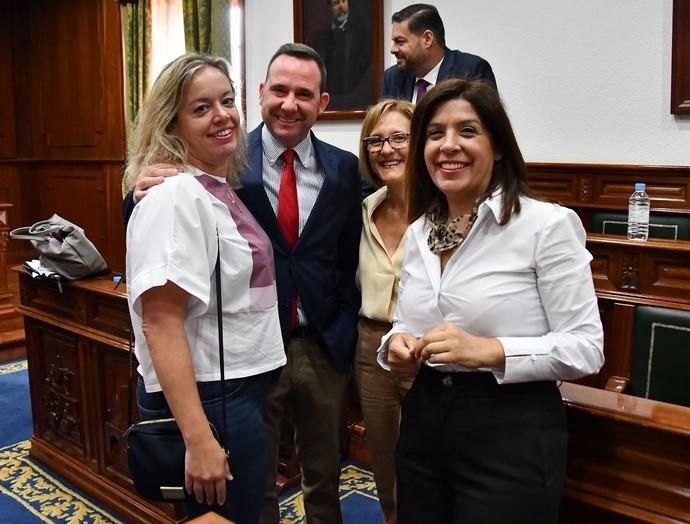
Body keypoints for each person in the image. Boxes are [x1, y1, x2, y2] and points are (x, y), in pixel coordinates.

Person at [125, 43, 362, 524]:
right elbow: (162, 260)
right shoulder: (223, 163)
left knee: (314, 474)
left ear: (323, 102)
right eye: (279, 90)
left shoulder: (341, 168)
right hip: (227, 375)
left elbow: (348, 253)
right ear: (263, 92)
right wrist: (136, 193)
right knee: (249, 499)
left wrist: (341, 325)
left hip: (312, 346)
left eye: (304, 93)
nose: (289, 103)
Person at [378, 78, 604, 523]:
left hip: (510, 426)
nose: (448, 146)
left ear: (498, 146)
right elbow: (405, 322)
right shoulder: (420, 231)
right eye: (435, 133)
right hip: (424, 419)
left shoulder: (545, 226)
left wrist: (491, 350)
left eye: (467, 131)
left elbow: (586, 348)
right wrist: (397, 346)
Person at [124, 53, 286, 524]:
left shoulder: (217, 185)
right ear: (170, 123)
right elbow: (159, 321)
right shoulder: (175, 196)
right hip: (214, 399)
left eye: (227, 101)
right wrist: (198, 438)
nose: (222, 115)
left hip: (238, 388)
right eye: (201, 108)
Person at [355, 99, 414, 524]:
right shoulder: (364, 208)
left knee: (427, 458)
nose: (386, 149)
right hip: (369, 348)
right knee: (383, 460)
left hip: (426, 352)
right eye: (375, 140)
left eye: (398, 138)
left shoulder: (446, 210)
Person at [381, 4, 496, 103]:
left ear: (427, 39)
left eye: (400, 42)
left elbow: (490, 123)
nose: (393, 49)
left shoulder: (472, 70)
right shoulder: (392, 78)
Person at [310, 0, 372, 98]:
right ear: (329, 8)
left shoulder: (362, 34)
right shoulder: (320, 38)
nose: (341, 6)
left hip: (354, 95)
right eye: (336, 3)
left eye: (343, 1)